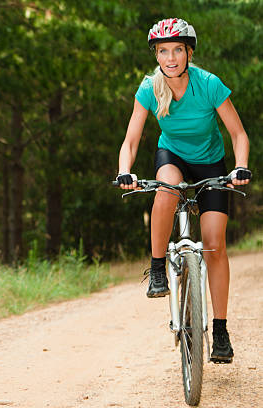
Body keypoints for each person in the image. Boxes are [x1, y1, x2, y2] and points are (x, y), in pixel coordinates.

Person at [116, 18, 251, 363]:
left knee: (215, 244)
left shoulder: (209, 84)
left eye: (178, 50)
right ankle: (158, 266)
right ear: (157, 55)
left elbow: (238, 134)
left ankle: (219, 330)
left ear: (188, 53)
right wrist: (124, 171)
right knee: (167, 187)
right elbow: (131, 139)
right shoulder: (149, 88)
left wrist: (240, 166)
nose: (171, 58)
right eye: (164, 51)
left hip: (211, 164)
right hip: (172, 155)